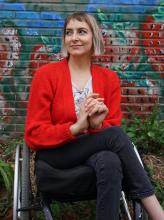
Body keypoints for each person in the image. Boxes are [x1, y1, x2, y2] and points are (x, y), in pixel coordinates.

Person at [25, 11, 164, 220]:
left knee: (110, 161)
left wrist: (96, 126)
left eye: (82, 31)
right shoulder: (46, 76)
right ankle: (157, 212)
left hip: (94, 152)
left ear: (94, 37)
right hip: (56, 155)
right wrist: (76, 127)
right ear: (64, 39)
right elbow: (33, 135)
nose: (74, 38)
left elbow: (111, 125)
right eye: (69, 32)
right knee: (116, 135)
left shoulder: (109, 79)